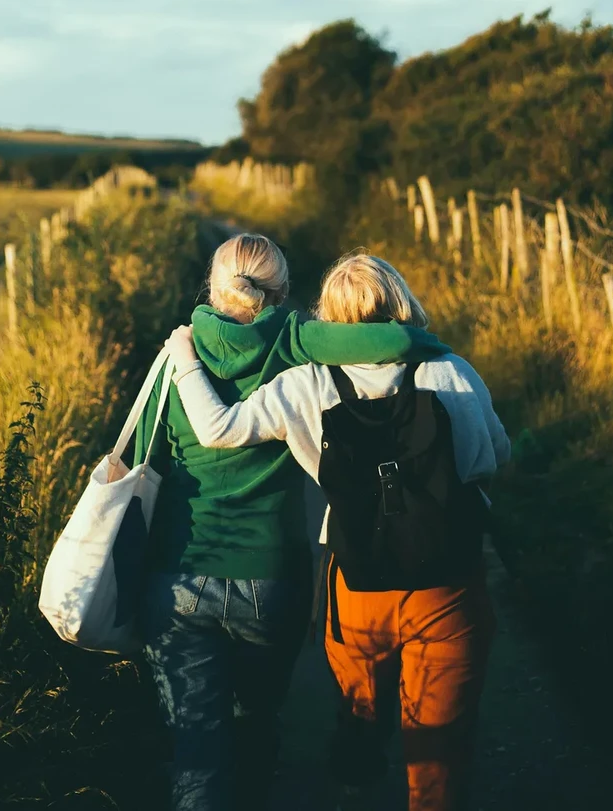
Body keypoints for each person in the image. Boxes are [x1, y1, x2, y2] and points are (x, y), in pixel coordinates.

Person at [166, 250, 511, 811]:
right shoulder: (449, 370)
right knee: (442, 743)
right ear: (401, 300)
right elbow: (491, 458)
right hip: (449, 581)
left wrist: (183, 356)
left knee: (361, 704)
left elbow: (221, 430)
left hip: (355, 578)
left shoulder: (304, 383)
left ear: (326, 314)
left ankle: (355, 776)